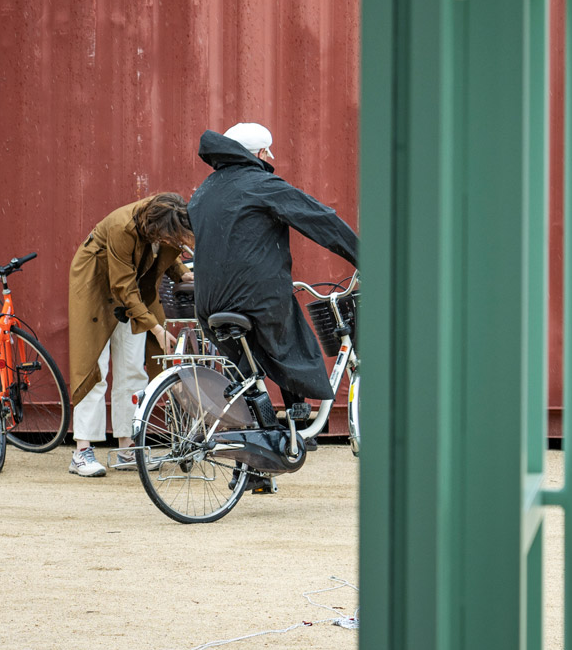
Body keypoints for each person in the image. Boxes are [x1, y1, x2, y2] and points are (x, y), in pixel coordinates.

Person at [188, 122, 359, 491]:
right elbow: (320, 220)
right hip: (256, 299)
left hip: (209, 304)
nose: (271, 158)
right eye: (268, 151)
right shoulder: (261, 183)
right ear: (259, 154)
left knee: (250, 377)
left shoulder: (205, 191)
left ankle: (255, 468)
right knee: (293, 345)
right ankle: (299, 417)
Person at [65, 192, 195, 478]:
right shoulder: (121, 226)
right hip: (95, 286)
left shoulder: (163, 220)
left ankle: (127, 448)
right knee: (94, 367)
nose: (175, 240)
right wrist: (156, 328)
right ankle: (82, 451)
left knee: (133, 368)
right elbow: (122, 285)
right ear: (156, 227)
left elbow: (162, 252)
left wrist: (181, 272)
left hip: (133, 288)